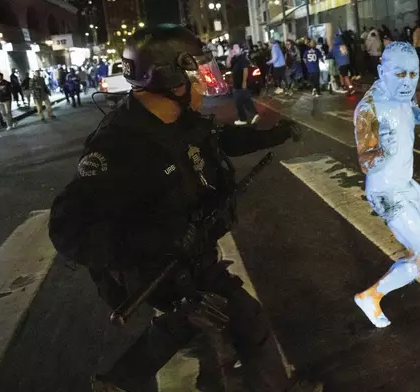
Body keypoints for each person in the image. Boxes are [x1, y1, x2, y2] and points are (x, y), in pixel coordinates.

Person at [48, 24, 321, 392]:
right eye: (195, 75)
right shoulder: (118, 145)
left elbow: (215, 142)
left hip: (193, 257)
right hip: (157, 270)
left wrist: (273, 134)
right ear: (169, 79)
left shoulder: (179, 121)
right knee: (230, 334)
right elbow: (69, 228)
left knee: (222, 324)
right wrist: (155, 239)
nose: (203, 85)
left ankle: (120, 380)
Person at [352, 42, 420, 328]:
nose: (408, 81)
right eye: (400, 74)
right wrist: (383, 149)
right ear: (382, 72)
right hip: (386, 191)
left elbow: (413, 108)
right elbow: (365, 162)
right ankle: (371, 296)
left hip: (404, 181)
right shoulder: (368, 109)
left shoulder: (403, 93)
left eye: (413, 73)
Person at [228, 42, 260, 125]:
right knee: (246, 100)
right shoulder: (235, 58)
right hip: (237, 84)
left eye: (236, 48)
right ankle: (254, 114)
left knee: (238, 102)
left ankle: (243, 119)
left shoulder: (242, 58)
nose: (234, 50)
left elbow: (245, 70)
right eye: (233, 48)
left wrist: (244, 82)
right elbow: (228, 65)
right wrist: (230, 55)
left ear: (241, 50)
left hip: (240, 84)